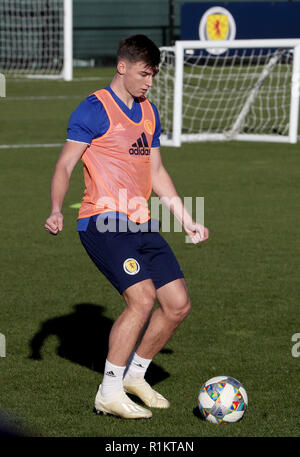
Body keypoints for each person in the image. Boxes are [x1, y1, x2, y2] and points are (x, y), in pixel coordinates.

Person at [44, 34, 209, 419]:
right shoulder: (93, 109)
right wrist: (56, 209)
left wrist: (187, 221)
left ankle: (135, 376)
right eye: (144, 73)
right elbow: (65, 165)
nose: (149, 81)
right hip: (101, 222)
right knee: (142, 298)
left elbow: (157, 171)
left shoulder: (149, 113)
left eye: (152, 75)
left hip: (141, 221)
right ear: (122, 67)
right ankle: (108, 391)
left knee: (177, 304)